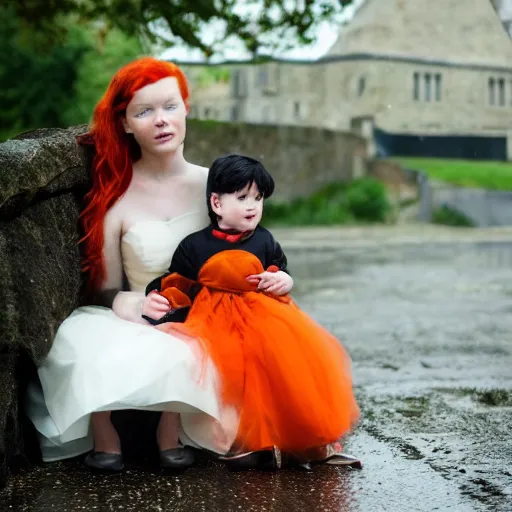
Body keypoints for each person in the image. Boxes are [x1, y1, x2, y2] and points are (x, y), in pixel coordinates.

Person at [26, 57, 233, 473]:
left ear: (186, 109)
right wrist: (129, 303)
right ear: (124, 124)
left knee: (202, 345)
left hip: (206, 311)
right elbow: (103, 286)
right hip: (140, 310)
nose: (161, 120)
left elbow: (247, 249)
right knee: (81, 342)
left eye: (170, 106)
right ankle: (107, 438)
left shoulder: (215, 184)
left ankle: (171, 429)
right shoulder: (115, 195)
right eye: (145, 111)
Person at [142, 154, 361, 469]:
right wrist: (157, 298)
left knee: (287, 362)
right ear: (216, 203)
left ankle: (308, 440)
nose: (252, 205)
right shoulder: (195, 246)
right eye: (242, 197)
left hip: (265, 314)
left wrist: (284, 279)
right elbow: (176, 283)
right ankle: (246, 441)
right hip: (214, 320)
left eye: (258, 198)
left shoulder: (264, 240)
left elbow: (280, 271)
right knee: (233, 369)